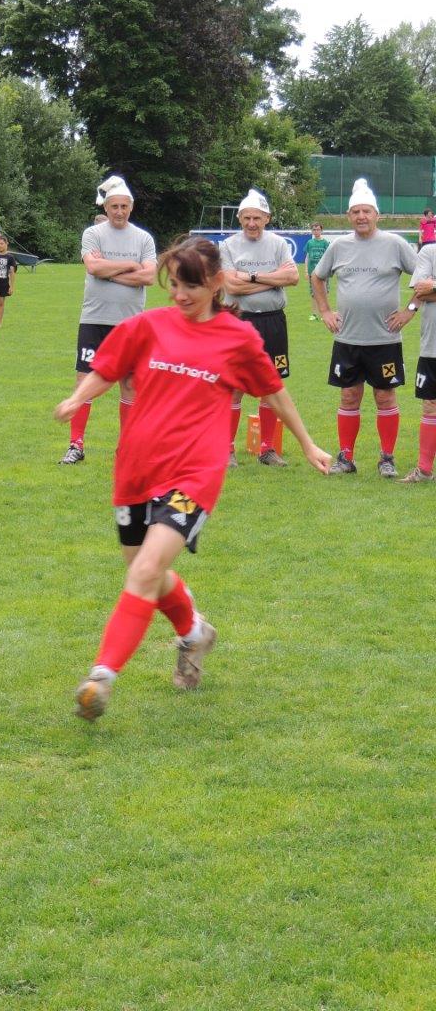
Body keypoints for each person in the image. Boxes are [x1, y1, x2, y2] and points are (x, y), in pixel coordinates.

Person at [54, 237, 331, 721]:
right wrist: (78, 398)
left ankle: (101, 678)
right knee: (145, 570)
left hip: (194, 473)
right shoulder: (148, 326)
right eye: (175, 285)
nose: (180, 295)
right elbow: (108, 368)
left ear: (217, 283)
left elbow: (274, 392)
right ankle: (194, 633)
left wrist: (307, 444)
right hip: (136, 467)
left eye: (191, 286)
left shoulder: (238, 338)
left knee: (145, 571)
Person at [312, 178, 417, 478]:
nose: (361, 216)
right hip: (347, 338)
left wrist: (409, 311)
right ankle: (346, 458)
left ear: (376, 215)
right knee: (349, 396)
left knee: (385, 397)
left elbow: (423, 275)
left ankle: (387, 459)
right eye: (356, 211)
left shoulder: (395, 244)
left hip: (385, 339)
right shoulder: (339, 245)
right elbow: (317, 277)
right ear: (349, 216)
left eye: (366, 211)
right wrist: (325, 310)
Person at [59, 174, 157, 465]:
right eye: (114, 206)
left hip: (131, 324)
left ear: (131, 206)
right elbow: (93, 267)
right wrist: (130, 265)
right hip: (95, 319)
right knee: (84, 381)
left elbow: (149, 276)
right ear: (106, 207)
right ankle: (76, 445)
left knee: (130, 384)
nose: (119, 212)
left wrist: (109, 271)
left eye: (124, 206)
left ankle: (126, 449)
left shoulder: (143, 238)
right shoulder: (93, 234)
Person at [220, 189, 299, 469]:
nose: (252, 223)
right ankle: (227, 450)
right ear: (239, 218)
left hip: (273, 321)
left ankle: (267, 448)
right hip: (238, 321)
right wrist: (272, 280)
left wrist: (251, 277)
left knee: (271, 385)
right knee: (234, 386)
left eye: (257, 218)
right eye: (247, 218)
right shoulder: (228, 246)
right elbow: (231, 286)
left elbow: (293, 276)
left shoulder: (278, 244)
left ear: (267, 218)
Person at [396, 245, 436, 482]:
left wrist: (433, 286)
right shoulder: (429, 252)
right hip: (432, 346)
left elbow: (428, 290)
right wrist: (427, 289)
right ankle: (424, 470)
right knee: (430, 405)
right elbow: (420, 292)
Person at [304, 222, 330, 321]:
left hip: (323, 272)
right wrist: (306, 271)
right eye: (314, 230)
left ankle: (325, 314)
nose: (316, 231)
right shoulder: (309, 243)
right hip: (312, 271)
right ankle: (314, 314)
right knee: (314, 293)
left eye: (318, 229)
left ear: (321, 230)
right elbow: (307, 257)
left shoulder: (325, 243)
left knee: (324, 292)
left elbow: (328, 258)